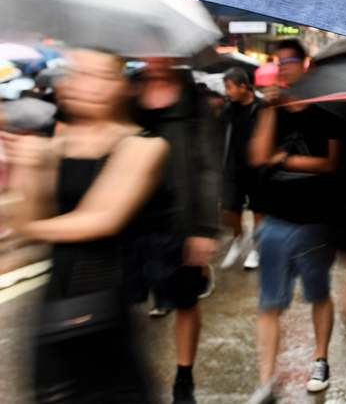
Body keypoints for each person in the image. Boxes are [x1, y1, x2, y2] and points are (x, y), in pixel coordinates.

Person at [4, 49, 169, 403]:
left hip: (109, 304)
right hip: (53, 303)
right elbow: (23, 218)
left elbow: (101, 220)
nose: (83, 84)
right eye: (76, 73)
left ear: (121, 86)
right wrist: (27, 169)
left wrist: (32, 227)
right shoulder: (52, 143)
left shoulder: (144, 145)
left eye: (99, 75)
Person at [247, 40, 341, 402]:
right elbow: (258, 157)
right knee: (269, 302)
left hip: (315, 221)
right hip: (275, 220)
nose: (282, 66)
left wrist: (285, 160)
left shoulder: (327, 110)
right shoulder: (273, 110)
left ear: (305, 64)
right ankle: (266, 379)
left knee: (319, 294)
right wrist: (270, 110)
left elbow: (332, 163)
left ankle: (321, 359)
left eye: (289, 60)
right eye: (278, 61)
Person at [133, 57, 221, 404]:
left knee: (185, 301)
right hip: (133, 217)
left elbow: (208, 166)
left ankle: (184, 378)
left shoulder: (192, 97)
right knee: (128, 299)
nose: (155, 59)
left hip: (180, 220)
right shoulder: (129, 91)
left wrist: (204, 229)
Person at [220, 66, 266, 270]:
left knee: (259, 212)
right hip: (234, 168)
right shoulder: (228, 109)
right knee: (230, 211)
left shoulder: (262, 107)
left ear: (243, 87)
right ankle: (239, 238)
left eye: (229, 87)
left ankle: (257, 248)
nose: (227, 92)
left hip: (257, 170)